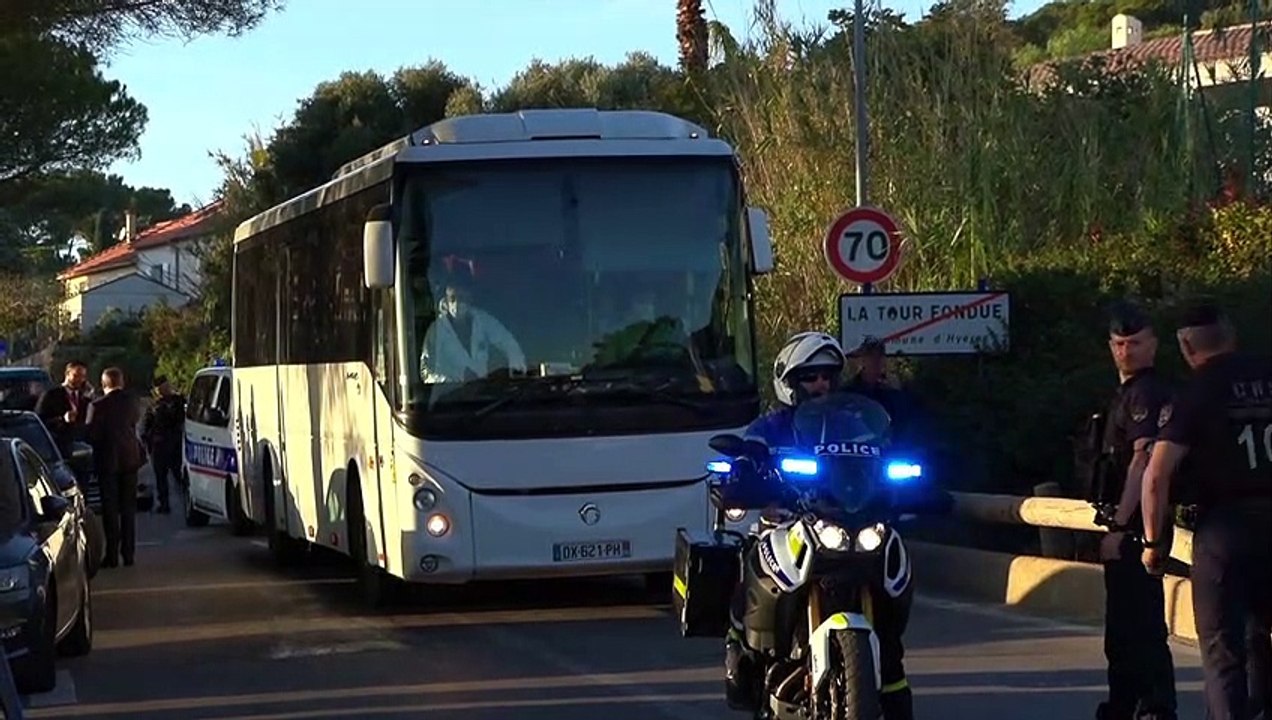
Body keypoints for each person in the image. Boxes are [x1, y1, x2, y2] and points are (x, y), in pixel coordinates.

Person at [723, 331, 915, 720]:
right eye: (811, 376)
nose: (821, 384)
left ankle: (894, 694)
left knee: (890, 622)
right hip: (788, 523)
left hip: (851, 522)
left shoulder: (854, 425)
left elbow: (885, 456)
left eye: (828, 376)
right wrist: (744, 473)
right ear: (790, 382)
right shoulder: (769, 428)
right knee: (748, 562)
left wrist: (910, 480)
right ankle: (743, 646)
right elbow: (745, 462)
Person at [1141, 304, 1271, 720]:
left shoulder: (1196, 392)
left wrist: (1154, 543)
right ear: (1230, 333)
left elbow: (1157, 477)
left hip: (1224, 530)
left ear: (1184, 344)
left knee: (1222, 649)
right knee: (1263, 638)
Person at [1085, 304, 1177, 720]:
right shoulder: (1125, 392)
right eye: (1119, 344)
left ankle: (1147, 705)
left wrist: (1120, 527)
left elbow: (1142, 463)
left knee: (1136, 627)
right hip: (1129, 521)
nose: (1126, 351)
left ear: (1153, 345)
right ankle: (1129, 702)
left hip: (1136, 525)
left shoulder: (1145, 392)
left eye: (1135, 343)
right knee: (1125, 627)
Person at [418, 270, 525, 384]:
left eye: (462, 298)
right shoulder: (436, 331)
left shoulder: (483, 320)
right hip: (450, 396)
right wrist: (446, 382)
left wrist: (516, 371)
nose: (457, 303)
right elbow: (426, 371)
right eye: (453, 298)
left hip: (482, 393)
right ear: (446, 300)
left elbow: (508, 342)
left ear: (470, 298)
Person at [86, 367, 145, 568]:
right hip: (130, 460)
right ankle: (128, 554)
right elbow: (135, 422)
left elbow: (91, 434)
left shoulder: (97, 405)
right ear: (122, 382)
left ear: (103, 385)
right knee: (128, 509)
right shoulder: (132, 402)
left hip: (107, 462)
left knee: (110, 510)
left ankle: (112, 555)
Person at [141, 375, 186, 514]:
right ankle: (164, 503)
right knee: (161, 477)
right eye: (160, 388)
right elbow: (147, 426)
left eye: (165, 386)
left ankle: (187, 501)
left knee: (179, 475)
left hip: (175, 443)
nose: (163, 390)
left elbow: (182, 420)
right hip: (159, 445)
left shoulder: (178, 401)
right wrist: (148, 442)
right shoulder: (154, 405)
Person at [34, 360, 94, 458]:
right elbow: (39, 421)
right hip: (59, 447)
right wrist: (62, 419)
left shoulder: (85, 398)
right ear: (67, 374)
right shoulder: (51, 395)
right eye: (76, 375)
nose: (80, 380)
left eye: (83, 376)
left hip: (82, 448)